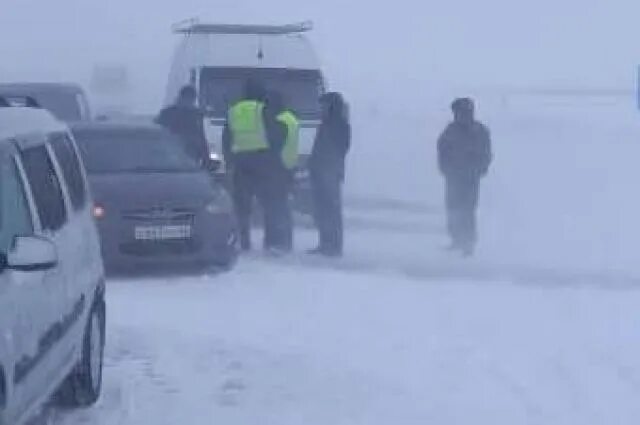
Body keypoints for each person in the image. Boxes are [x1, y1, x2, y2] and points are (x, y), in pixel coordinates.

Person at [222, 80, 286, 252]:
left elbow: (226, 138)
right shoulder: (263, 109)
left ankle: (244, 242)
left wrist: (230, 161)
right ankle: (270, 242)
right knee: (268, 204)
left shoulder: (233, 111)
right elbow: (275, 133)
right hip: (262, 161)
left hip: (240, 162)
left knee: (242, 207)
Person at [437, 97, 492, 257]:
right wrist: (445, 168)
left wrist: (480, 169)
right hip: (453, 177)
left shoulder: (479, 131)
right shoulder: (450, 131)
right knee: (453, 208)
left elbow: (486, 153)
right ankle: (456, 239)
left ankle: (468, 243)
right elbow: (442, 149)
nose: (459, 116)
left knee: (467, 210)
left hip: (470, 178)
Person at [308, 92, 351, 257]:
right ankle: (325, 242)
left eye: (324, 105)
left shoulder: (339, 125)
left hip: (330, 172)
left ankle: (333, 245)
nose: (321, 108)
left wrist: (324, 163)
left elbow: (339, 149)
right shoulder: (326, 123)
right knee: (322, 210)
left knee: (331, 209)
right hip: (321, 171)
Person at [269, 91, 300, 252]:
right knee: (284, 205)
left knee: (276, 206)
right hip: (290, 165)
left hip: (278, 167)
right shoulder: (291, 119)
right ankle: (287, 240)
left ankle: (278, 240)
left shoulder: (279, 121)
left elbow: (274, 144)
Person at [156, 85, 210, 166]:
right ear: (182, 98)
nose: (190, 102)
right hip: (171, 154)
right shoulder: (168, 113)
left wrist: (206, 158)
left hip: (190, 155)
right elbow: (158, 133)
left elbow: (201, 136)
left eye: (192, 99)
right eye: (188, 99)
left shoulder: (196, 114)